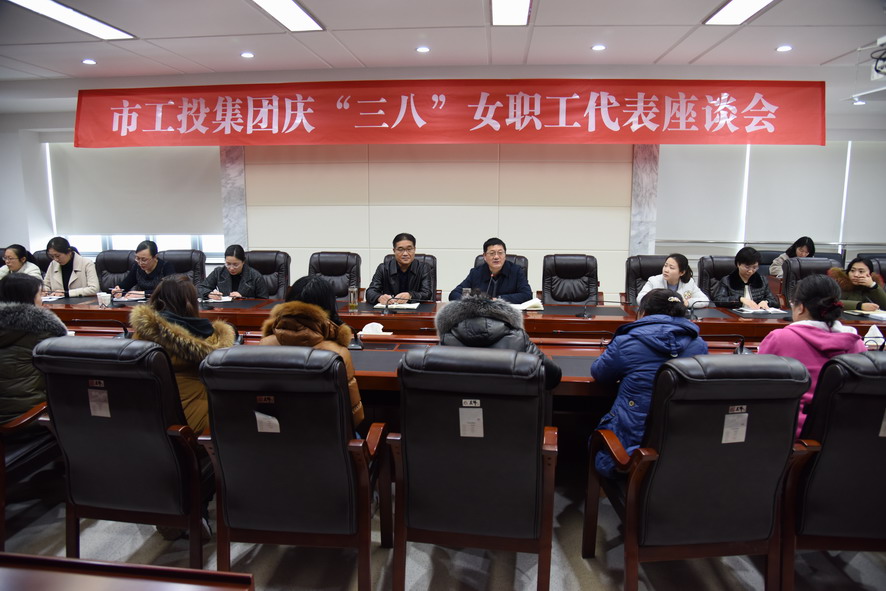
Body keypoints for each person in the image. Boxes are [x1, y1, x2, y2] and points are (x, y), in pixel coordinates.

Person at [591, 289, 708, 479]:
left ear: (643, 313)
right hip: (680, 448)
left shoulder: (626, 342)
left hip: (630, 452)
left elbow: (600, 374)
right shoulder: (699, 344)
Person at [758, 274, 866, 436]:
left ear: (801, 307)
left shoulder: (780, 338)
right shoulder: (856, 343)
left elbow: (757, 387)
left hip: (790, 435)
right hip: (842, 435)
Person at [129, 275, 236, 434]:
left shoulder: (142, 334)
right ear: (190, 302)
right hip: (198, 421)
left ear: (159, 297)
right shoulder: (212, 340)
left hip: (150, 418)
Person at [260, 275, 364, 427]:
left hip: (275, 436)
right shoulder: (336, 354)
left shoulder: (264, 345)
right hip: (326, 438)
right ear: (329, 308)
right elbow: (353, 418)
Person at [435, 293, 562, 390]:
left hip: (458, 415)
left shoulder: (447, 340)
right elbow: (553, 376)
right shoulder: (518, 339)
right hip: (510, 414)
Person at [0, 274, 68, 431]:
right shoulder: (42, 330)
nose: (42, 300)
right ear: (27, 298)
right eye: (39, 295)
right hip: (26, 419)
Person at [449, 237, 531, 303]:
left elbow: (527, 295)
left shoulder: (516, 271)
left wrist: (498, 299)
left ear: (505, 255)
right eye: (492, 253)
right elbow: (454, 294)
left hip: (507, 314)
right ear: (484, 256)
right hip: (481, 314)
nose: (496, 257)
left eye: (500, 253)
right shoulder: (476, 273)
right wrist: (472, 302)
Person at [365, 233, 433, 305]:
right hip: (390, 309)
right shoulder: (383, 268)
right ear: (394, 250)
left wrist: (410, 295)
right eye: (400, 249)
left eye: (409, 249)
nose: (405, 253)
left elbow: (427, 293)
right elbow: (370, 292)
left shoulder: (423, 268)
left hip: (416, 310)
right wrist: (379, 297)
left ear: (414, 249)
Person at [712, 246, 779, 309]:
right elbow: (718, 300)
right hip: (735, 315)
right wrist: (739, 299)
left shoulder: (762, 280)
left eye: (754, 267)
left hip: (757, 315)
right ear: (738, 264)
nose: (750, 271)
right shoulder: (727, 280)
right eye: (747, 267)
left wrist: (766, 302)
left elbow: (774, 302)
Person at [197, 244, 269, 300]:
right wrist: (209, 294)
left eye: (235, 265)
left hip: (247, 311)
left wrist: (244, 298)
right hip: (225, 310)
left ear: (243, 262)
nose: (231, 268)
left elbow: (264, 300)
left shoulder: (255, 276)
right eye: (228, 264)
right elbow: (200, 288)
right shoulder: (219, 272)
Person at [636, 253, 708, 308]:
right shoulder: (654, 281)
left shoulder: (689, 282)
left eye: (671, 268)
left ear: (682, 272)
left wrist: (688, 303)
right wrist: (660, 303)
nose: (666, 270)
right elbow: (640, 299)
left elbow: (705, 300)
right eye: (665, 266)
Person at [112, 240, 176, 299]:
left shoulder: (166, 267)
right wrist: (119, 290)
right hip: (141, 304)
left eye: (144, 260)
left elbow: (169, 290)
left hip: (161, 303)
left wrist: (144, 294)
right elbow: (127, 283)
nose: (140, 263)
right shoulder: (137, 266)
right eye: (137, 258)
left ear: (155, 257)